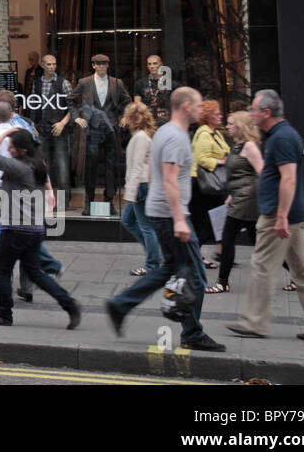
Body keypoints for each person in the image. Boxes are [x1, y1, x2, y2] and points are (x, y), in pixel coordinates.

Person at [105, 87, 226, 352]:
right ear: (185, 106)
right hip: (171, 215)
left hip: (163, 212)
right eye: (197, 105)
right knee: (196, 275)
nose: (200, 109)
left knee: (169, 268)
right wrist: (180, 220)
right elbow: (170, 180)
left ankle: (121, 304)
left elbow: (154, 171)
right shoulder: (175, 137)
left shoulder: (164, 133)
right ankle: (192, 334)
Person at [227, 90, 304, 344]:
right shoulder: (280, 135)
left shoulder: (282, 138)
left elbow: (288, 179)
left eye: (254, 109)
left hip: (280, 214)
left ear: (266, 112)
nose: (251, 113)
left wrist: (280, 217)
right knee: (303, 271)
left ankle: (254, 322)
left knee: (262, 266)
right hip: (289, 213)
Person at [0, 130, 82, 328]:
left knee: (1, 271)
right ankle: (70, 305)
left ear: (22, 150)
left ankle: (4, 315)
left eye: (11, 146)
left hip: (15, 229)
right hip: (34, 229)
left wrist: (6, 132)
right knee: (35, 273)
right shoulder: (37, 166)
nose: (8, 149)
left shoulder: (19, 167)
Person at [206, 110, 265, 293]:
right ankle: (295, 275)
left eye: (231, 123)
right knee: (260, 242)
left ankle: (222, 282)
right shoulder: (238, 146)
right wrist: (232, 193)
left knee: (228, 237)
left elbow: (262, 172)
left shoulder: (250, 147)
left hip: (246, 199)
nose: (228, 126)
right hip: (241, 197)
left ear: (240, 126)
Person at [76, 54, 131, 213]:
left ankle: (109, 200)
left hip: (111, 128)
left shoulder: (116, 83)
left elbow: (127, 100)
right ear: (93, 65)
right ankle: (89, 201)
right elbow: (71, 99)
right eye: (98, 64)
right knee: (90, 167)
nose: (101, 67)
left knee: (110, 167)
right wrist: (77, 117)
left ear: (108, 65)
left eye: (104, 64)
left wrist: (124, 117)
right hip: (93, 129)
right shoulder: (85, 82)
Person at [119, 102, 162, 277]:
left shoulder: (141, 138)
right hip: (142, 185)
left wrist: (130, 192)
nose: (126, 121)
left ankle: (152, 263)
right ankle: (154, 253)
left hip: (140, 186)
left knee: (146, 227)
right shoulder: (144, 136)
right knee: (128, 220)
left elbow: (137, 166)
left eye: (128, 117)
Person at [28, 55, 76, 206]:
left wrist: (62, 123)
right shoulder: (36, 83)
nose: (52, 67)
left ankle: (63, 202)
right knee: (40, 165)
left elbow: (73, 107)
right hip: (41, 128)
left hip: (58, 129)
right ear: (42, 65)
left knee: (62, 166)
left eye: (54, 64)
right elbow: (33, 105)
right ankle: (42, 201)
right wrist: (33, 125)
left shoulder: (64, 83)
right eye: (48, 64)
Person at [190, 99, 228, 262]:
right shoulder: (204, 133)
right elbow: (202, 159)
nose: (220, 116)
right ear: (208, 116)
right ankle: (196, 254)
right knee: (205, 220)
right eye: (216, 114)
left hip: (212, 183)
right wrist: (221, 162)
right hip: (203, 184)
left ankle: (221, 250)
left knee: (216, 218)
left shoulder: (216, 132)